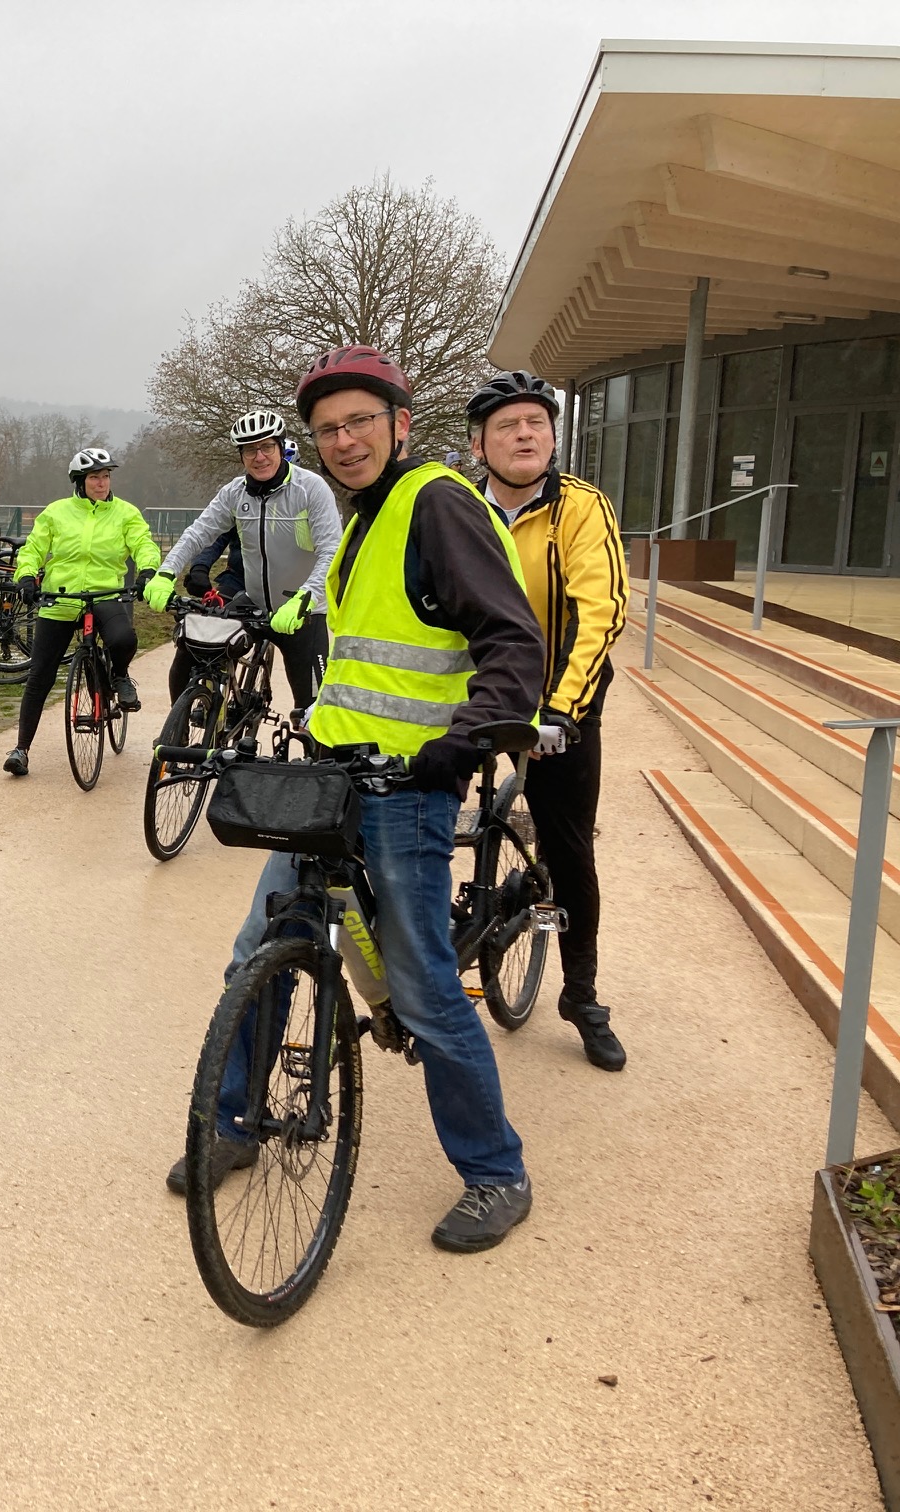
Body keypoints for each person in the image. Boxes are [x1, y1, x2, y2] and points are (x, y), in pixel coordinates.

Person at [167, 345, 547, 1257]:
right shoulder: (362, 516)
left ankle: (496, 1172)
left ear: (400, 424)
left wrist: (463, 741)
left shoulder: (437, 504)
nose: (343, 441)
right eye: (328, 429)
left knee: (420, 989)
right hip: (331, 781)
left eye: (360, 423)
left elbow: (511, 640)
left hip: (407, 790)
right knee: (257, 950)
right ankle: (236, 1122)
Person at [468, 370, 629, 1072]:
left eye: (537, 422)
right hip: (473, 694)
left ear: (554, 436)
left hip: (557, 701)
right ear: (479, 444)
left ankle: (582, 995)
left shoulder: (579, 507)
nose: (525, 433)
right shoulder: (458, 506)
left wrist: (563, 708)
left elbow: (601, 611)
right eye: (508, 425)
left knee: (567, 849)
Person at [142, 409, 341, 709]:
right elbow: (198, 534)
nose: (259, 456)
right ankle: (181, 733)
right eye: (250, 450)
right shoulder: (234, 493)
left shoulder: (311, 489)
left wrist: (306, 598)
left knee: (314, 710)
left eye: (266, 447)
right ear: (241, 455)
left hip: (302, 610)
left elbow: (331, 551)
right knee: (190, 652)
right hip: (253, 602)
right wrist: (166, 572)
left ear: (280, 447)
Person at [2, 447, 162, 777]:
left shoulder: (125, 513)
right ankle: (21, 749)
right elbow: (34, 548)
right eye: (94, 478)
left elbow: (144, 543)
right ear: (79, 481)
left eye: (105, 477)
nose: (102, 483)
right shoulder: (56, 513)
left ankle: (118, 675)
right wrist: (27, 576)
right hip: (61, 598)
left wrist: (147, 570)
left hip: (105, 594)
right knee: (40, 674)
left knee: (123, 638)